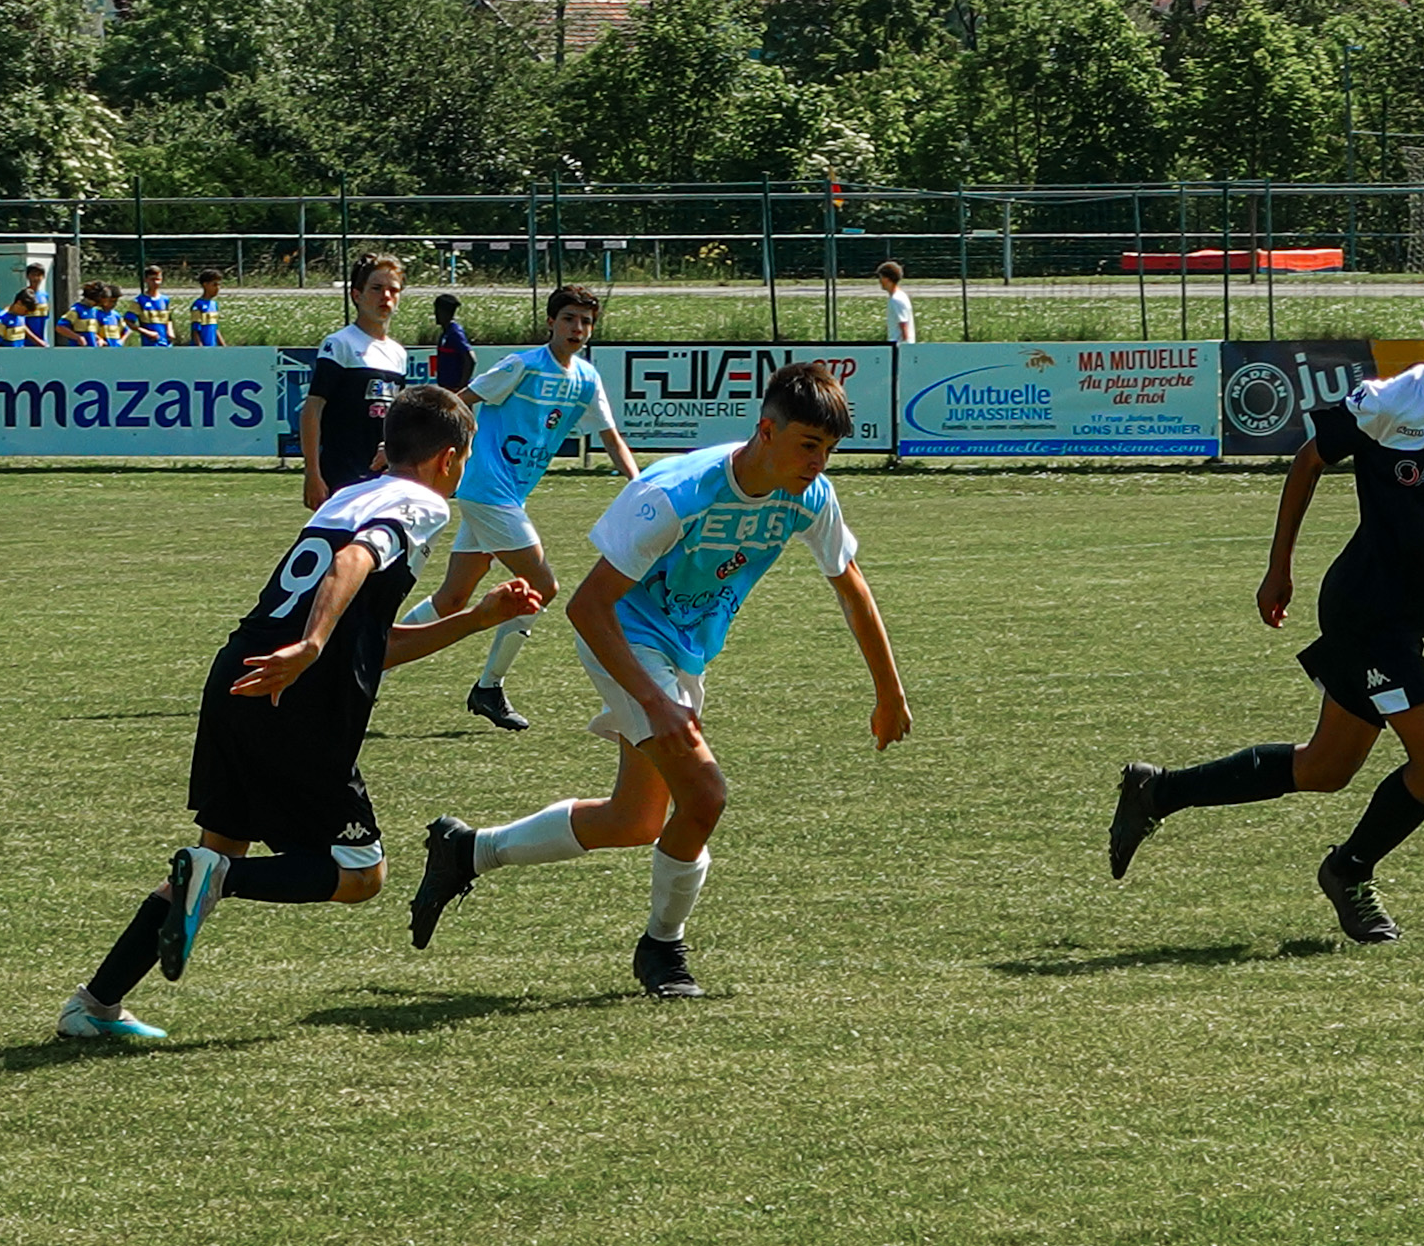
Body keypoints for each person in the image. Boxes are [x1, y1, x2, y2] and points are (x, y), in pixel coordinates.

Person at [409, 362, 911, 999]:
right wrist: (653, 700)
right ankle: (662, 951)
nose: (818, 462)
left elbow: (852, 587)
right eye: (808, 445)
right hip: (623, 636)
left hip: (680, 654)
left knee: (636, 819)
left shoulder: (811, 496)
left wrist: (889, 691)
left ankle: (469, 851)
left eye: (828, 450)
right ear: (765, 430)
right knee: (705, 795)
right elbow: (587, 605)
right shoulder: (680, 490)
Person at [56, 385, 541, 1041]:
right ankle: (218, 878)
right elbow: (355, 557)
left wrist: (476, 618)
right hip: (297, 694)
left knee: (216, 850)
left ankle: (95, 1004)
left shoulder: (349, 494)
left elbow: (374, 648)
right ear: (448, 460)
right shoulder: (420, 504)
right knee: (360, 872)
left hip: (241, 671)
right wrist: (312, 646)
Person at [1110, 274, 1424, 945]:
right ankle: (1349, 870)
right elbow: (1308, 460)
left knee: (1325, 769)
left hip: (1405, 617)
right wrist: (1278, 566)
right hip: (1368, 614)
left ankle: (1157, 791)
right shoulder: (1391, 401)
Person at [403, 284, 641, 732]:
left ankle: (369, 666)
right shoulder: (523, 365)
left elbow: (611, 436)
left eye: (586, 321)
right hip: (486, 488)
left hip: (506, 494)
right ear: (551, 322)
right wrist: (406, 444)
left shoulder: (586, 379)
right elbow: (459, 402)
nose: (578, 328)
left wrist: (641, 486)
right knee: (543, 586)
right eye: (569, 318)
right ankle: (489, 686)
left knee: (452, 598)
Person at [301, 254, 407, 510]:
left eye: (393, 290)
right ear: (356, 295)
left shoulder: (398, 353)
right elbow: (313, 409)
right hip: (344, 475)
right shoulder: (340, 344)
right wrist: (312, 473)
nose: (386, 296)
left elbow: (397, 419)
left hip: (384, 477)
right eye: (377, 288)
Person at [433, 294, 473, 394]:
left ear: (444, 312)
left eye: (437, 310)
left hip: (454, 390)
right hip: (446, 389)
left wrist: (461, 388)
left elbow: (470, 359)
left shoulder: (455, 333)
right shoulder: (446, 332)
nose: (435, 314)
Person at [132, 265, 172, 347]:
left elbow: (168, 319)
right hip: (150, 344)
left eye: (158, 279)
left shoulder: (165, 300)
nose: (156, 282)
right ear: (146, 280)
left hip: (166, 343)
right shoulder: (140, 300)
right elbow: (128, 321)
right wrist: (147, 332)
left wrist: (170, 330)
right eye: (152, 279)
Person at [878, 261, 915, 344]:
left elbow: (903, 324)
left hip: (898, 346)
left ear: (887, 279)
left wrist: (904, 347)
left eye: (881, 277)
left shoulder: (897, 299)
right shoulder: (898, 296)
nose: (879, 281)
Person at [56, 282, 102, 346]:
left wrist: (99, 339)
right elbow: (60, 327)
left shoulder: (94, 310)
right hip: (79, 350)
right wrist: (77, 337)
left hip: (93, 349)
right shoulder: (77, 309)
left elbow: (90, 331)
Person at [189, 269, 224, 347]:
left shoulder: (214, 305)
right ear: (205, 285)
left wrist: (223, 345)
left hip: (212, 347)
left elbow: (215, 328)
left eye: (219, 285)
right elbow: (195, 331)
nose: (218, 288)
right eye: (215, 285)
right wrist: (200, 348)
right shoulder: (198, 305)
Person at [22, 263, 51, 345]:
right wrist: (36, 340)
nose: (36, 278)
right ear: (28, 276)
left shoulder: (44, 295)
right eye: (33, 275)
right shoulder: (24, 295)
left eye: (39, 275)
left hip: (43, 341)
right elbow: (21, 322)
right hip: (27, 342)